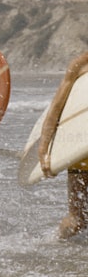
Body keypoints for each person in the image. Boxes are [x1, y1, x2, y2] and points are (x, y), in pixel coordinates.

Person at [37, 50, 88, 239]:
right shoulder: (80, 64)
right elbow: (56, 109)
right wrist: (44, 149)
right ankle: (57, 243)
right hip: (81, 149)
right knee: (78, 219)